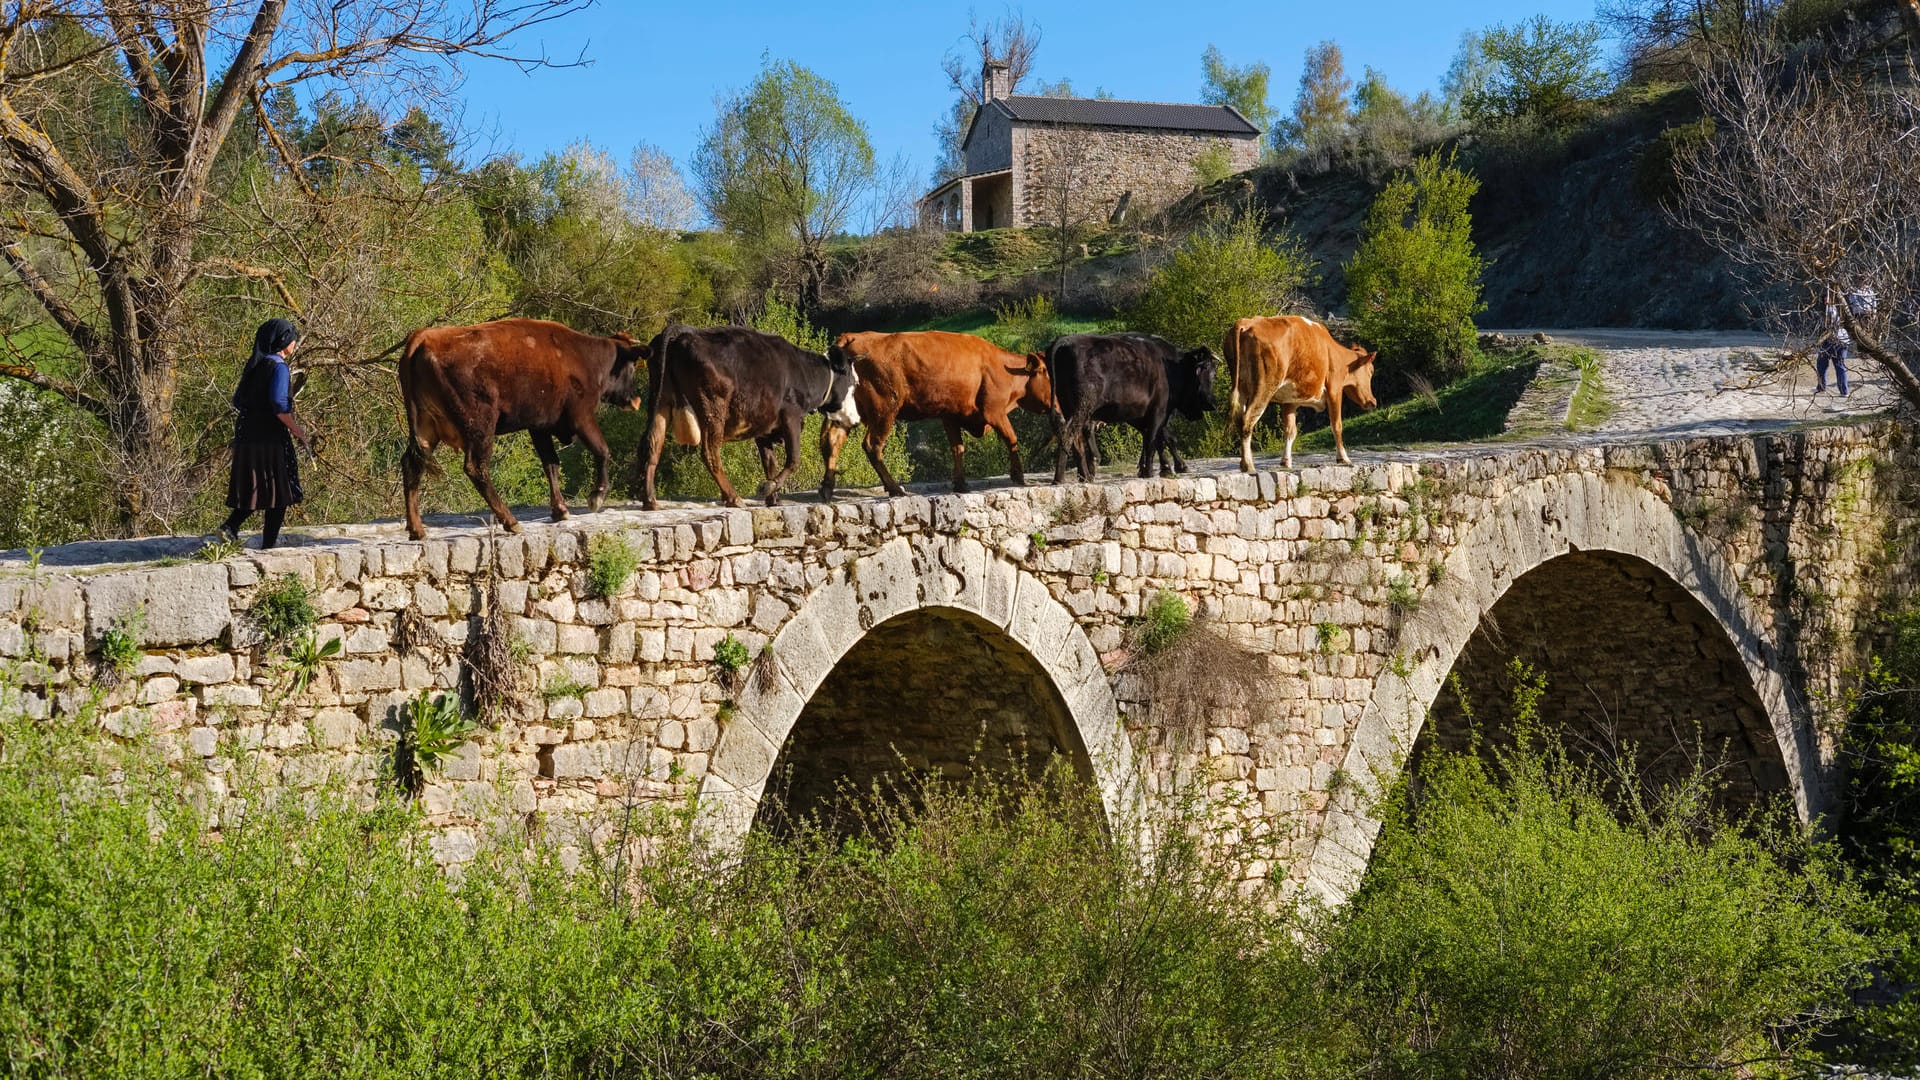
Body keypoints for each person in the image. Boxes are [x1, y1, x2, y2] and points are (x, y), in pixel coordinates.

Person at [219, 318, 312, 549]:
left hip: (247, 436)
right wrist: (297, 431)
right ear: (283, 342)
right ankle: (269, 545)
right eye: (292, 339)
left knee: (256, 488)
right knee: (280, 493)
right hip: (270, 439)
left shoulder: (256, 365)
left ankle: (230, 526)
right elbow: (279, 404)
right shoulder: (279, 367)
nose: (295, 344)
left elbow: (239, 400)